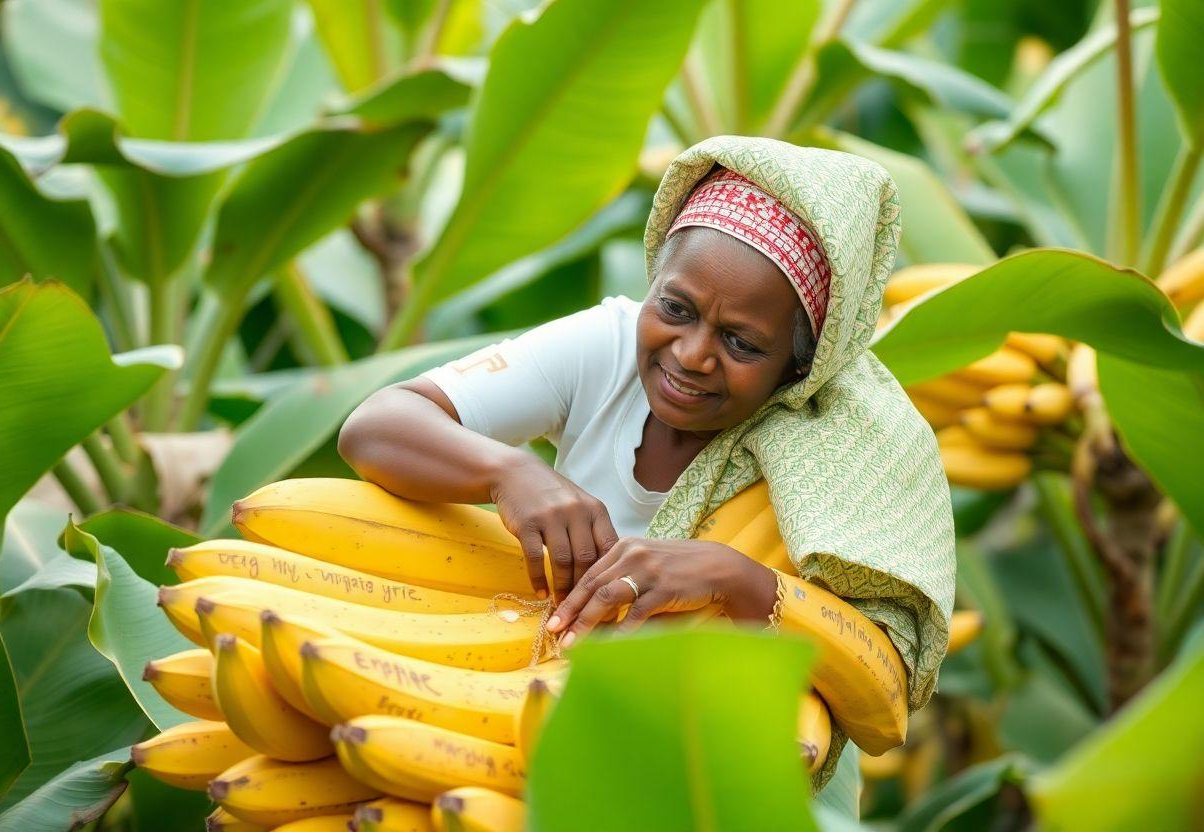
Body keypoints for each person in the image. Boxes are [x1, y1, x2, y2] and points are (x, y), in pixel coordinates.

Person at [338, 136, 956, 809]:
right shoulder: (606, 347)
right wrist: (510, 472)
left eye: (742, 343)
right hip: (538, 706)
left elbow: (882, 697)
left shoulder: (837, 448)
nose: (691, 355)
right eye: (675, 309)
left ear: (801, 364)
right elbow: (377, 427)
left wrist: (733, 579)